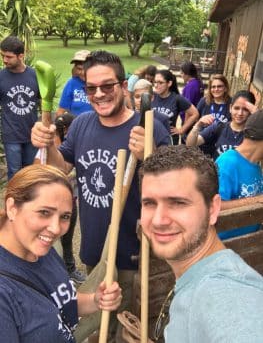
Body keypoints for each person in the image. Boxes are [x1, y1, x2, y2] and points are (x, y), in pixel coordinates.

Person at [31, 50, 170, 339]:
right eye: (91, 88)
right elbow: (60, 168)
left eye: (107, 86)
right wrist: (47, 146)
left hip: (132, 256)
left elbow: (171, 189)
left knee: (126, 330)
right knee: (98, 328)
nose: (99, 94)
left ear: (123, 86)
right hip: (96, 251)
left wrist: (150, 155)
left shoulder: (149, 128)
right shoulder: (82, 124)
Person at [139, 145, 263, 343]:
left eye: (178, 203)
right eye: (149, 203)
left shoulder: (226, 296)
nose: (158, 220)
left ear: (213, 209)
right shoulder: (197, 276)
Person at [0, 164, 122, 343]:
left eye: (64, 217)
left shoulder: (38, 248)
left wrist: (96, 300)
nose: (56, 229)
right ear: (12, 207)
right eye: (44, 212)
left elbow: (59, 302)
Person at [216, 110, 263, 240]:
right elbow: (215, 206)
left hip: (250, 244)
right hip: (227, 248)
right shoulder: (227, 163)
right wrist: (255, 200)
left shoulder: (255, 164)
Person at [0, 35, 40, 180]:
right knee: (15, 173)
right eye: (3, 56)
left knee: (30, 173)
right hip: (11, 135)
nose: (5, 60)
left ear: (21, 56)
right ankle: (13, 201)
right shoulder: (1, 77)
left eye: (9, 57)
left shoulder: (35, 76)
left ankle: (29, 202)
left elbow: (42, 103)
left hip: (32, 135)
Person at [55, 113, 86, 283]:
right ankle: (59, 275)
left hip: (71, 201)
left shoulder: (73, 146)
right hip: (56, 202)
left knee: (66, 241)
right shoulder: (50, 148)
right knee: (56, 243)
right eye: (62, 129)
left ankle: (70, 269)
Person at [186, 90, 257, 159]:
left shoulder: (253, 134)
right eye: (236, 108)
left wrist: (258, 115)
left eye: (245, 109)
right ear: (230, 108)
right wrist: (197, 126)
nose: (240, 113)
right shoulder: (219, 127)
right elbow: (190, 144)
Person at [151, 69, 199, 144]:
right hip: (153, 139)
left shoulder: (177, 98)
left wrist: (182, 130)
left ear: (169, 83)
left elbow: (195, 113)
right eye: (155, 82)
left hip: (169, 140)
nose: (156, 85)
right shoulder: (152, 96)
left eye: (160, 82)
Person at [196, 74, 231, 155]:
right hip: (202, 144)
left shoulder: (231, 104)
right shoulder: (204, 101)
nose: (216, 89)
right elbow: (196, 119)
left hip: (221, 147)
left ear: (225, 88)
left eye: (219, 86)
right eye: (213, 87)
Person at [56, 50, 93, 117]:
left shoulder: (100, 84)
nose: (83, 73)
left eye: (86, 68)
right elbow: (61, 111)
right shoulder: (72, 83)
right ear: (75, 68)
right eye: (79, 69)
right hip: (76, 125)